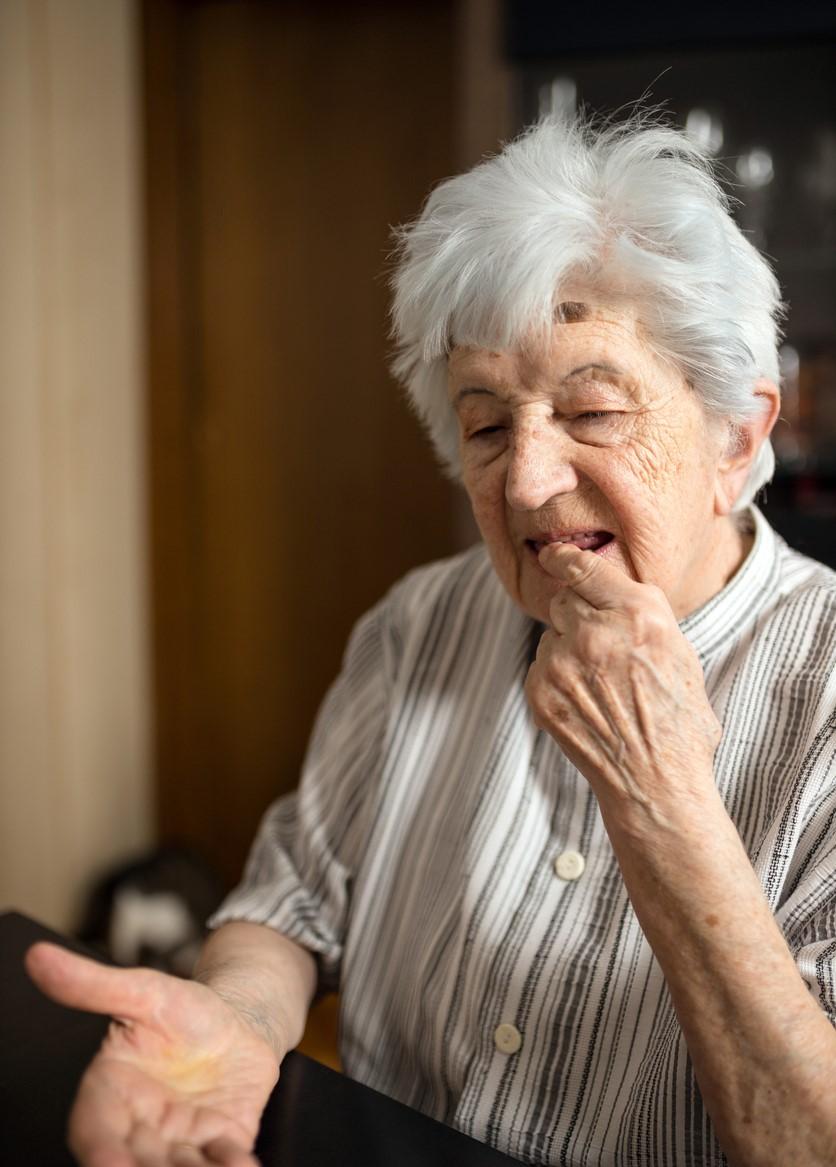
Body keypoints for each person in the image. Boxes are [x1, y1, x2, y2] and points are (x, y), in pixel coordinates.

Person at [26, 112, 836, 1167]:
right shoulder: (417, 624)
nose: (526, 482)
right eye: (486, 423)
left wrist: (660, 801)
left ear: (734, 436)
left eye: (591, 412)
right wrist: (236, 1022)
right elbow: (291, 905)